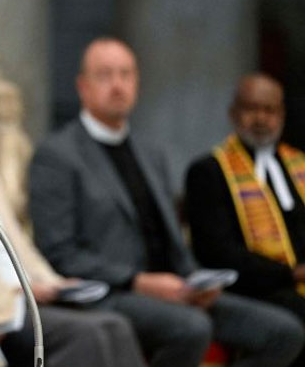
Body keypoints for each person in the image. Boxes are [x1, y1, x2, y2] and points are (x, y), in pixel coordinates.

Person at [29, 37, 304, 367]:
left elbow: (172, 238)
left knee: (283, 332)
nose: (117, 85)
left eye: (125, 74)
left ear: (137, 82)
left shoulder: (150, 152)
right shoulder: (57, 155)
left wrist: (197, 281)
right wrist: (138, 281)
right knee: (191, 328)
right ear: (82, 86)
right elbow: (59, 251)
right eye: (104, 75)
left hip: (176, 289)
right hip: (112, 293)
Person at [0, 83, 146, 367]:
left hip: (31, 293)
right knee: (90, 333)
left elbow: (20, 245)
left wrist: (56, 284)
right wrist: (16, 291)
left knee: (117, 325)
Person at [186, 73, 305, 365]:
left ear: (282, 115)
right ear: (233, 113)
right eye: (252, 109)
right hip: (251, 290)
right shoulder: (209, 171)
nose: (261, 118)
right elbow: (216, 252)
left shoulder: (299, 165)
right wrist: (290, 274)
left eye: (270, 110)